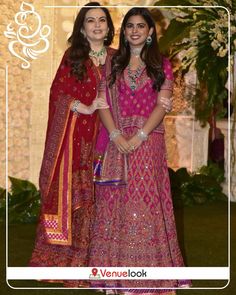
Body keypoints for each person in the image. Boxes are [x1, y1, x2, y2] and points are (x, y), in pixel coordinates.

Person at [89, 7, 191, 294]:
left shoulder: (162, 65)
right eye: (130, 26)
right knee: (115, 204)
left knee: (145, 203)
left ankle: (147, 278)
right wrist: (115, 134)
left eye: (140, 26)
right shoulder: (112, 64)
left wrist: (141, 135)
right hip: (116, 140)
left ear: (149, 33)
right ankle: (112, 277)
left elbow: (163, 104)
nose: (135, 30)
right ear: (124, 32)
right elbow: (102, 103)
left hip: (149, 141)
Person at [29, 2, 115, 280]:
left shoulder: (117, 58)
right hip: (77, 142)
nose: (97, 25)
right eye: (91, 21)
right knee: (78, 202)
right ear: (82, 27)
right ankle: (68, 264)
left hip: (111, 141)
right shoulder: (73, 58)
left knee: (107, 202)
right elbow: (58, 95)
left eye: (102, 20)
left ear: (109, 27)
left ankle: (105, 262)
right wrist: (84, 107)